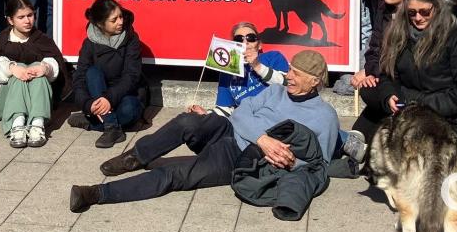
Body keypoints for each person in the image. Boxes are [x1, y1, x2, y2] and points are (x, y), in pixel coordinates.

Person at [69, 50, 339, 214]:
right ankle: (136, 157)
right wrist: (262, 138)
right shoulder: (276, 90)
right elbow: (243, 112)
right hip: (233, 131)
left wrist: (283, 158)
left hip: (242, 157)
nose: (288, 76)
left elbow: (318, 163)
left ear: (314, 81)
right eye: (290, 69)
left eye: (297, 73)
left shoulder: (324, 116)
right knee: (188, 121)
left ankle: (96, 194)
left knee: (175, 174)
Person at [374, 0, 457, 158]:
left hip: (450, 123)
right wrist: (388, 95)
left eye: (425, 12)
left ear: (437, 7)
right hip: (409, 121)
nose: (418, 18)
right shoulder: (397, 33)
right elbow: (387, 74)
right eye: (412, 13)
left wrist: (419, 103)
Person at [0, 0, 72, 148]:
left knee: (39, 66)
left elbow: (55, 63)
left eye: (30, 15)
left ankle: (37, 124)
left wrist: (44, 68)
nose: (27, 21)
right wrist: (12, 68)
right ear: (10, 20)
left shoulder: (42, 40)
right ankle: (17, 124)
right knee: (18, 69)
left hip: (37, 102)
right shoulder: (0, 42)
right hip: (5, 103)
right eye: (21, 17)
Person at [351, 0, 425, 141]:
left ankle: (366, 137)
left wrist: (377, 74)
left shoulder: (419, 17)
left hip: (409, 81)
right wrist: (372, 72)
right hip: (386, 75)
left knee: (376, 93)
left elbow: (409, 62)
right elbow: (374, 49)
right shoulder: (384, 9)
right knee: (368, 89)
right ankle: (360, 138)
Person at [67, 0, 148, 148]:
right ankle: (111, 126)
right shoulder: (89, 43)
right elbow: (79, 78)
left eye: (121, 16)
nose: (120, 22)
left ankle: (93, 122)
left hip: (124, 94)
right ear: (100, 24)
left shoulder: (131, 39)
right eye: (114, 20)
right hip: (97, 92)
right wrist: (88, 104)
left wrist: (108, 99)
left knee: (131, 110)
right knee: (92, 72)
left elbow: (132, 76)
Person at [187, 22, 289, 117]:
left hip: (276, 114)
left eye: (251, 38)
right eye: (239, 39)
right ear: (233, 46)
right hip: (248, 119)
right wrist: (206, 113)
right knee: (186, 121)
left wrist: (257, 66)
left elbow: (286, 85)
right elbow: (226, 109)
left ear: (259, 45)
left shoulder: (273, 57)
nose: (245, 42)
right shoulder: (228, 70)